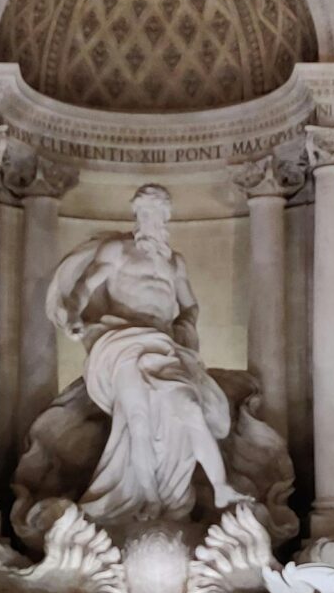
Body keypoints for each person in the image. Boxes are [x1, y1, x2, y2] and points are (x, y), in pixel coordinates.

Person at [44, 183, 249, 527]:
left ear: (167, 216)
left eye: (156, 212)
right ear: (135, 214)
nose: (149, 219)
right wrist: (76, 315)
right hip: (123, 343)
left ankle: (220, 486)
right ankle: (150, 499)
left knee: (190, 408)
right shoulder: (118, 250)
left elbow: (190, 304)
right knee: (136, 421)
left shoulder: (175, 262)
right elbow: (85, 288)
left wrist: (186, 324)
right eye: (143, 212)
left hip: (164, 345)